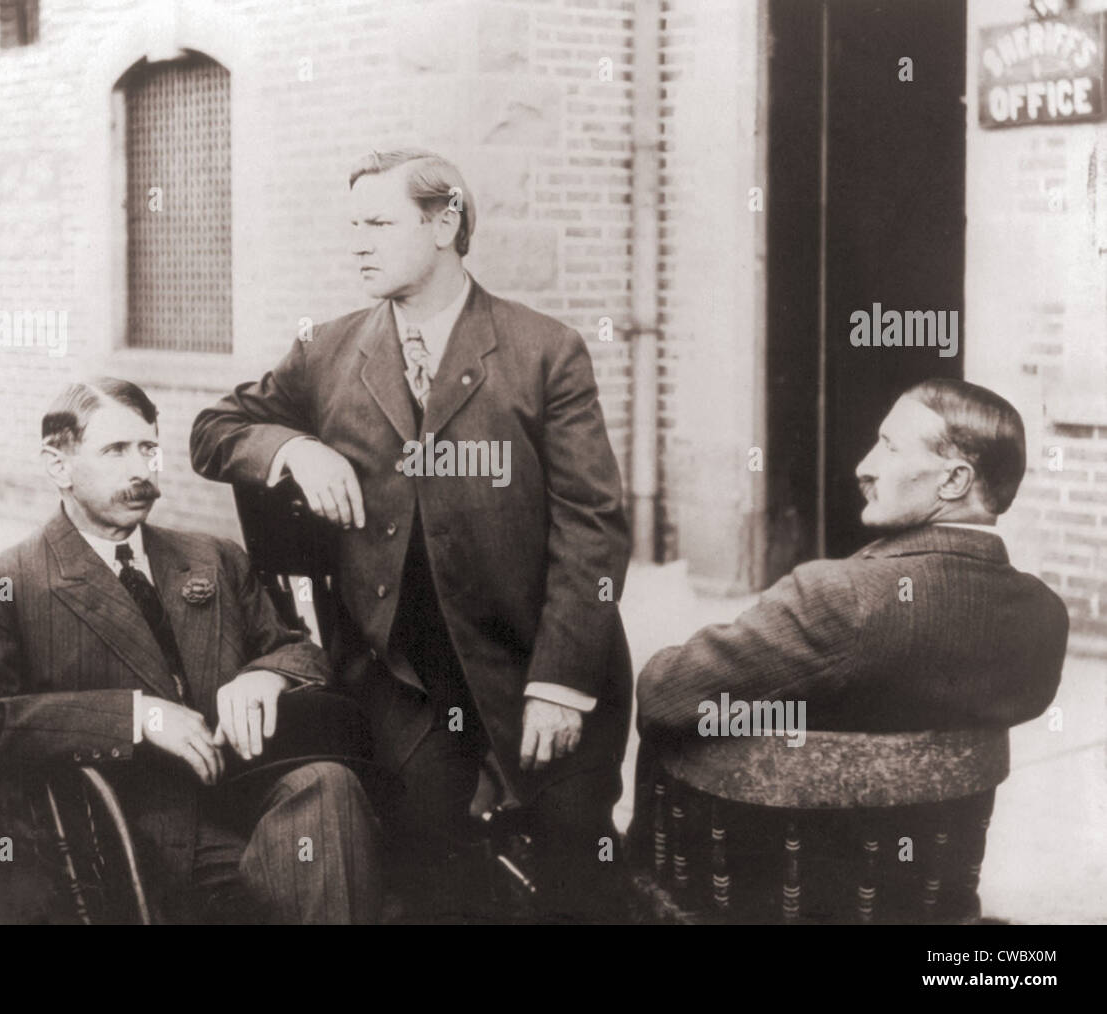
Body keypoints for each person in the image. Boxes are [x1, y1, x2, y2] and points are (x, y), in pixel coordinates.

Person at [190, 149, 632, 921]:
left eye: (378, 223)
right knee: (428, 874)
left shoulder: (544, 352)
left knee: (576, 872)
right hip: (406, 682)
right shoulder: (328, 351)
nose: (356, 242)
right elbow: (215, 430)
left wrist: (561, 684)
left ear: (445, 222)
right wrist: (293, 447)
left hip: (533, 663)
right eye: (352, 225)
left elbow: (592, 525)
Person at [0, 377, 381, 924]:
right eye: (115, 450)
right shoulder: (3, 584)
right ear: (58, 465)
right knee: (339, 883)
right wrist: (134, 717)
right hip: (131, 838)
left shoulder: (211, 557)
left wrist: (268, 675)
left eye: (148, 448)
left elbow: (297, 649)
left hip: (249, 798)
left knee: (329, 785)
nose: (140, 469)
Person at [635, 379, 1068, 920]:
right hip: (925, 895)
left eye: (889, 447)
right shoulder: (1044, 619)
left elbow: (663, 693)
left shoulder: (841, 599)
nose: (864, 466)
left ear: (955, 479)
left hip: (771, 892)